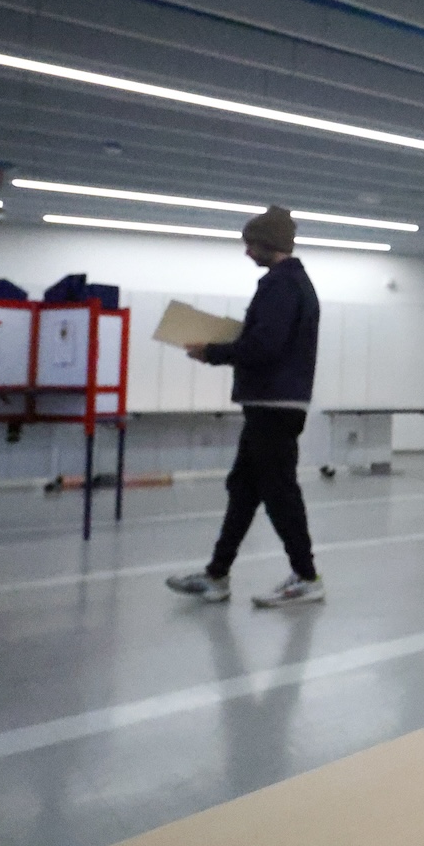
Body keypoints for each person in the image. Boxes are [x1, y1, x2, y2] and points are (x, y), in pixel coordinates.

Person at [166, 206, 325, 608]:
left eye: (250, 244)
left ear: (266, 243)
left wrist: (214, 351)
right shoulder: (292, 283)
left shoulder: (280, 285)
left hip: (273, 404)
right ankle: (217, 575)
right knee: (244, 490)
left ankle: (307, 578)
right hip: (271, 403)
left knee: (279, 492)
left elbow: (265, 346)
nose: (246, 252)